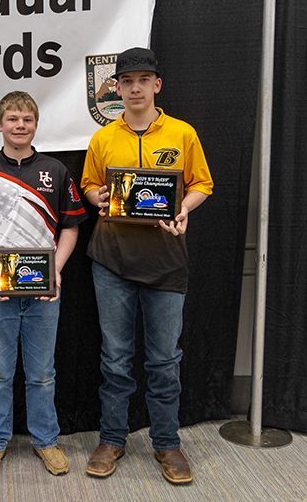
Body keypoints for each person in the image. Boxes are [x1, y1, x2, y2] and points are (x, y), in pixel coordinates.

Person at [80, 48, 213, 485]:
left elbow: (201, 183)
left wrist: (184, 210)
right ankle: (112, 439)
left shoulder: (182, 133)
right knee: (115, 359)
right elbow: (89, 184)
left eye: (143, 80)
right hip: (112, 259)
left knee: (164, 360)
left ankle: (167, 443)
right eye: (127, 81)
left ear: (157, 85)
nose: (135, 88)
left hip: (166, 262)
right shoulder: (103, 138)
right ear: (116, 88)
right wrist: (98, 197)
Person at [0, 91, 87, 478]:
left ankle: (46, 440)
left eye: (26, 119)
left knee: (43, 373)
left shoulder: (56, 170)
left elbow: (72, 227)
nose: (19, 126)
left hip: (44, 291)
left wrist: (56, 270)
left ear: (36, 125)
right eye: (12, 119)